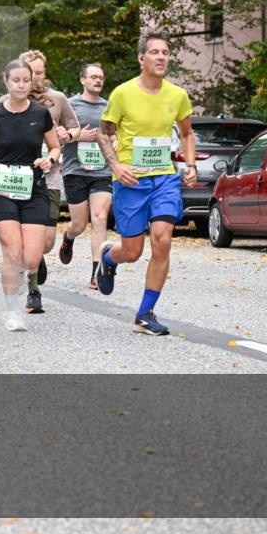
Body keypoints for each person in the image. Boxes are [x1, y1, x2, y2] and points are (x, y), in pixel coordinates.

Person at [96, 30, 196, 336]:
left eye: (165, 52)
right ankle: (109, 256)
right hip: (130, 180)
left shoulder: (177, 95)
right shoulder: (123, 94)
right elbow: (103, 133)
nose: (161, 57)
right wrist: (116, 164)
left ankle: (145, 313)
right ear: (142, 58)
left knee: (163, 239)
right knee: (133, 251)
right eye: (155, 52)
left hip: (163, 177)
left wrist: (190, 165)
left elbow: (188, 133)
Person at [0, 59, 60, 332]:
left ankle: (20, 274)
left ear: (32, 82)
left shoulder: (41, 113)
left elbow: (55, 148)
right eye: (16, 80)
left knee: (31, 258)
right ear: (6, 81)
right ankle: (12, 312)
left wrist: (50, 160)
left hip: (34, 189)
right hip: (2, 189)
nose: (21, 85)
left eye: (25, 80)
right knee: (12, 250)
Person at [0, 50, 78, 313]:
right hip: (14, 180)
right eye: (32, 73)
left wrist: (67, 133)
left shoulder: (57, 100)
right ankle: (33, 291)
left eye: (40, 73)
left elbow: (75, 129)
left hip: (47, 179)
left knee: (47, 241)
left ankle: (36, 258)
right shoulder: (4, 102)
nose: (36, 78)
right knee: (20, 238)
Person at [57, 63, 114, 289]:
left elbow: (115, 135)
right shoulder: (70, 105)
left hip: (102, 171)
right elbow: (55, 137)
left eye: (100, 77)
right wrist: (80, 137)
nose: (97, 80)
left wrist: (114, 146)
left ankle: (97, 273)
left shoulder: (109, 106)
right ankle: (69, 237)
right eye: (93, 77)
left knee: (100, 219)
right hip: (75, 170)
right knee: (79, 224)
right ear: (83, 80)